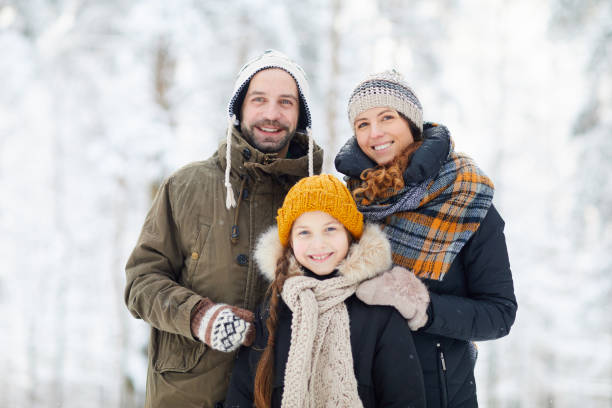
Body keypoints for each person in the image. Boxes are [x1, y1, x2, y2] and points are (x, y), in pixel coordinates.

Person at [124, 49, 323, 408]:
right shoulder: (186, 186)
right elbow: (141, 282)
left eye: (286, 102)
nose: (271, 114)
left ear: (300, 115)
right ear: (239, 108)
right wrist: (199, 316)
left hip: (277, 395)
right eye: (258, 99)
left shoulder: (317, 198)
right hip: (187, 395)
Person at [334, 70, 518, 408]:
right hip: (359, 390)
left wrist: (424, 308)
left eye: (386, 117)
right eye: (362, 123)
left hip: (438, 393)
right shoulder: (345, 203)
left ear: (411, 122)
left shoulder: (467, 196)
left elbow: (500, 314)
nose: (374, 133)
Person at [224, 174, 427, 407]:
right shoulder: (271, 311)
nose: (318, 244)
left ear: (349, 234)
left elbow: (405, 399)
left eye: (330, 229)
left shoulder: (379, 312)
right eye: (304, 232)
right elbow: (241, 396)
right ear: (290, 241)